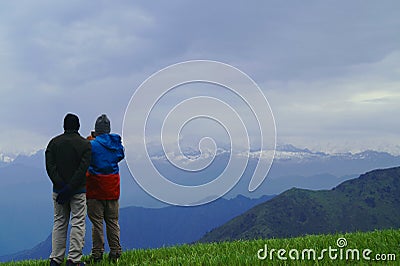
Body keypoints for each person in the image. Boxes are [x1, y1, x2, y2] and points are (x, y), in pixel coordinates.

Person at [45, 113, 92, 266]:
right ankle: (73, 260)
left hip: (58, 192)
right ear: (78, 126)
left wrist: (61, 186)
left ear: (64, 126)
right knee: (78, 222)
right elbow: (82, 168)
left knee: (59, 222)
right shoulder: (85, 145)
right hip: (78, 191)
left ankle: (55, 259)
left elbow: (50, 167)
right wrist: (71, 187)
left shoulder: (53, 143)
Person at [86, 114, 124, 262]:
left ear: (96, 130)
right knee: (113, 221)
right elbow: (120, 155)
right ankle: (115, 252)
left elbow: (86, 155)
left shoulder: (92, 145)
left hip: (95, 188)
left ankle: (97, 254)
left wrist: (91, 140)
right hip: (113, 188)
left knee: (97, 223)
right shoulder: (116, 145)